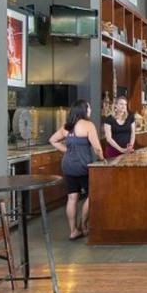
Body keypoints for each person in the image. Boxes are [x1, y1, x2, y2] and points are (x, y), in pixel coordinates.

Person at [49, 99, 105, 241]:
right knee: (92, 195)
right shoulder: (88, 125)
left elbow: (52, 140)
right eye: (89, 108)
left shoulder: (66, 127)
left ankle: (73, 231)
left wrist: (67, 150)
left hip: (67, 165)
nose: (90, 110)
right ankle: (83, 224)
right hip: (82, 166)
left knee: (72, 197)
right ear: (84, 110)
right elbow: (97, 147)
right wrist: (103, 159)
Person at [101, 95, 136, 159]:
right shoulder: (109, 119)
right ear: (115, 105)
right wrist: (121, 149)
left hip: (127, 150)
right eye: (121, 104)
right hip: (113, 151)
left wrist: (130, 146)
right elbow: (108, 138)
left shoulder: (130, 117)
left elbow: (133, 133)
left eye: (125, 104)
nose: (124, 106)